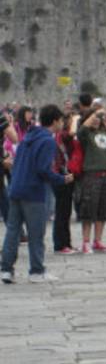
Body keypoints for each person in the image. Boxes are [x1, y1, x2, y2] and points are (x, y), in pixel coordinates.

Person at [1, 104, 74, 283]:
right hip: (33, 191)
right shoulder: (48, 141)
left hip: (16, 188)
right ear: (56, 121)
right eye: (61, 121)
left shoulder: (28, 137)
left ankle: (6, 269)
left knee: (13, 231)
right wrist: (61, 179)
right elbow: (43, 169)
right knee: (36, 233)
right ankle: (36, 271)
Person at [78, 105, 106, 253]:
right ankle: (85, 242)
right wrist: (96, 112)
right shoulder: (86, 134)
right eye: (94, 118)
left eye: (99, 118)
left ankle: (98, 240)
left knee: (104, 209)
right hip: (92, 174)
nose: (97, 120)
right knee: (88, 209)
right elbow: (82, 128)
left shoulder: (105, 132)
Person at [52, 112, 78, 254]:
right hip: (61, 175)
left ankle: (66, 243)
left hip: (65, 174)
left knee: (65, 211)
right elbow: (72, 133)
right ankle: (60, 244)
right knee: (62, 211)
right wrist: (75, 118)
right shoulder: (61, 135)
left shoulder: (60, 136)